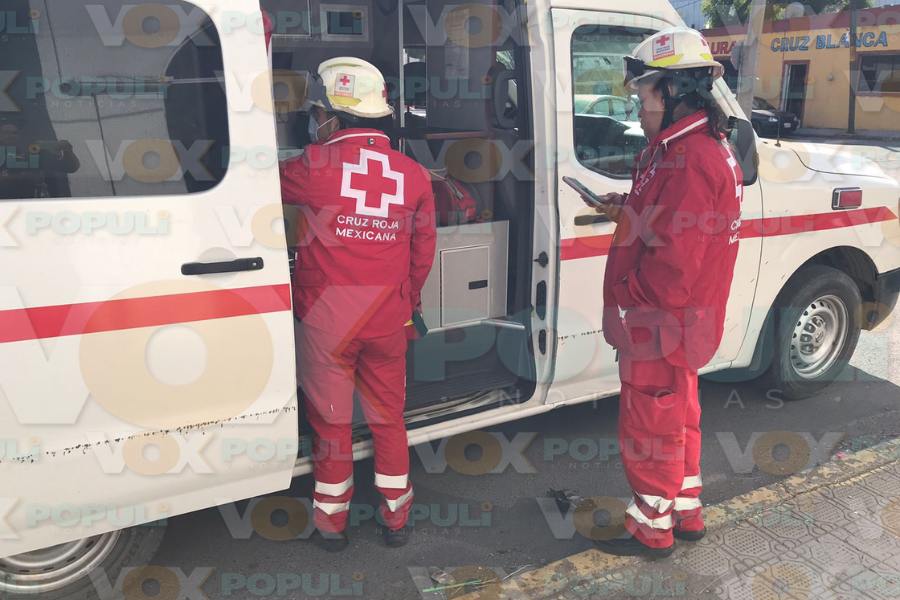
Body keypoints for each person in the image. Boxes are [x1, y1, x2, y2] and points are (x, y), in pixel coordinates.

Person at [584, 28, 744, 558]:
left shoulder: (689, 157)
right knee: (679, 414)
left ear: (672, 92)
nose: (639, 106)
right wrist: (625, 206)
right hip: (681, 321)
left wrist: (627, 296)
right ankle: (685, 510)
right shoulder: (683, 147)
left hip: (661, 318)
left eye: (643, 95)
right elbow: (671, 222)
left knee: (651, 422)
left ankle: (651, 528)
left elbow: (673, 264)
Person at [279, 57, 437, 552]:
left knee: (332, 423)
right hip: (388, 321)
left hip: (329, 326)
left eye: (317, 112)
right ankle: (396, 518)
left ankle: (331, 525)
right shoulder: (413, 176)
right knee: (389, 418)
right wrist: (404, 302)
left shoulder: (312, 166)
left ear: (330, 116)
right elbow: (422, 255)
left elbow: (251, 186)